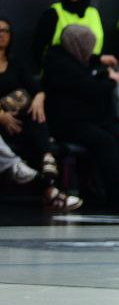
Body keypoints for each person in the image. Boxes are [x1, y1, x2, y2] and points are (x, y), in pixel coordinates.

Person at [44, 25, 119, 211]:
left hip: (90, 120)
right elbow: (89, 88)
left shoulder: (78, 59)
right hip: (66, 123)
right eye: (87, 46)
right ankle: (118, 194)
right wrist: (111, 80)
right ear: (77, 45)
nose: (89, 51)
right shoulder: (57, 63)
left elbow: (91, 68)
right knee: (104, 141)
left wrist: (102, 69)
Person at [0, 17, 82, 211]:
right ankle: (47, 188)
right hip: (2, 123)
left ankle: (47, 157)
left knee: (34, 112)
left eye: (4, 31)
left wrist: (39, 98)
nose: (1, 35)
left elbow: (36, 89)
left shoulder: (16, 64)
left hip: (18, 121)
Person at [29, 0, 117, 72]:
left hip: (88, 73)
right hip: (60, 74)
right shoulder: (53, 12)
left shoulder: (93, 13)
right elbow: (38, 48)